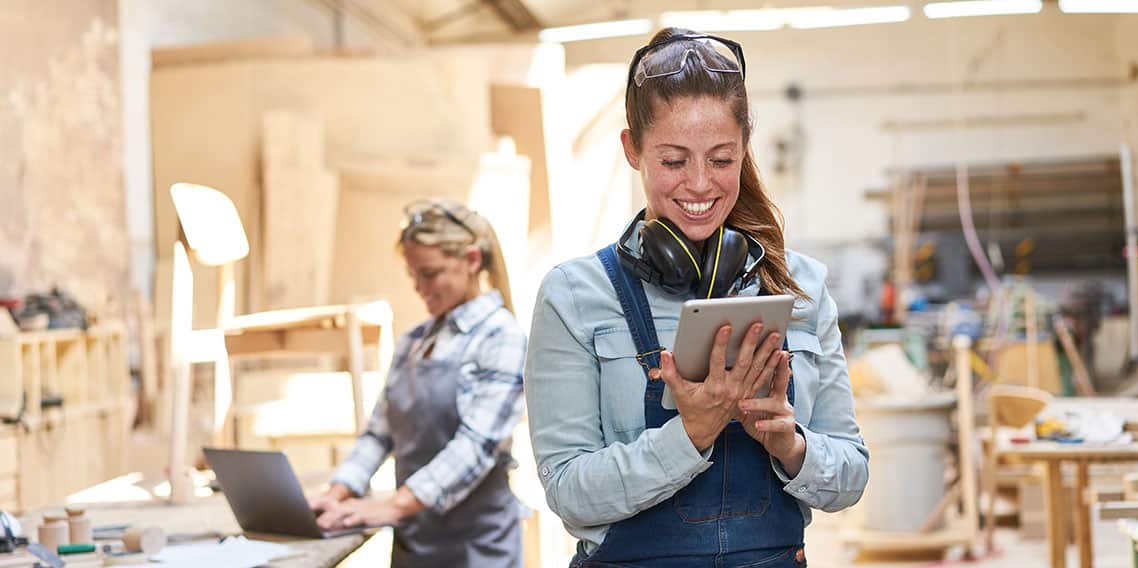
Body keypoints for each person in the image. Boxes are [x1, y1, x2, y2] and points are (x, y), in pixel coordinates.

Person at [524, 28, 869, 566]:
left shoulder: (800, 287)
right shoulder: (574, 296)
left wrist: (790, 443)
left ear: (744, 151)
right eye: (674, 160)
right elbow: (568, 491)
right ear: (632, 150)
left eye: (722, 159)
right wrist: (689, 435)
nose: (701, 184)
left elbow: (850, 475)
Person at [311, 199, 527, 567]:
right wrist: (339, 490)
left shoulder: (501, 337)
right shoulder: (414, 341)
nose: (418, 287)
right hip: (415, 542)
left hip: (476, 548)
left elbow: (475, 446)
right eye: (413, 275)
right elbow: (379, 432)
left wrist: (392, 505)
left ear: (472, 260)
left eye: (429, 273)